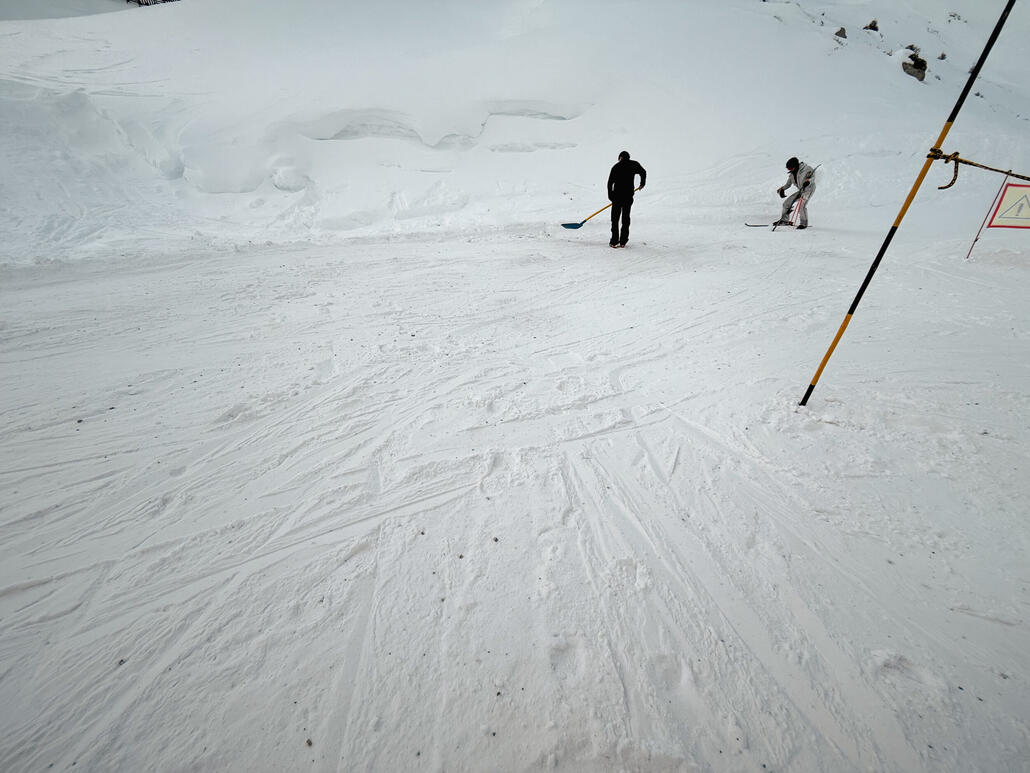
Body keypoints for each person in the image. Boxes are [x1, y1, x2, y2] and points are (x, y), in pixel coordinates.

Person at [607, 150, 646, 247]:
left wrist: (611, 196)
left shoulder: (616, 167)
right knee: (625, 218)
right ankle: (623, 241)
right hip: (628, 196)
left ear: (620, 157)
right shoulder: (634, 164)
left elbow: (610, 183)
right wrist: (642, 183)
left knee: (615, 219)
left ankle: (614, 241)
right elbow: (643, 172)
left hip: (617, 196)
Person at [775, 156, 816, 229]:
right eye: (788, 169)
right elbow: (788, 184)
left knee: (802, 205)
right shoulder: (792, 175)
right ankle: (784, 220)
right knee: (786, 204)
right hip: (801, 190)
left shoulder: (806, 169)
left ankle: (803, 224)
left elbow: (813, 177)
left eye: (790, 168)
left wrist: (808, 181)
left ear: (795, 166)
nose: (789, 170)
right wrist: (782, 189)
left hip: (809, 189)